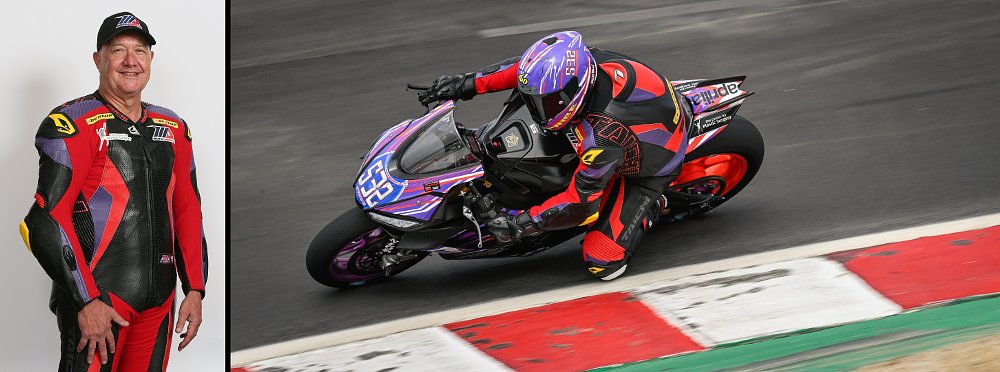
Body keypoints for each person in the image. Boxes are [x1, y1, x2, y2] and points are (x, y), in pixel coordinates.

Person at [18, 11, 208, 371]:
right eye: (118, 50)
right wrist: (86, 300)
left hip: (159, 301)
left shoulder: (174, 127)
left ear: (151, 59)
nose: (130, 61)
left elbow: (187, 210)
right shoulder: (72, 123)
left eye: (140, 51)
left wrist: (195, 288)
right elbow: (43, 221)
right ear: (98, 59)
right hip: (100, 300)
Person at [418, 31, 691, 281]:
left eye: (548, 102)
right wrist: (466, 83)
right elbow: (521, 71)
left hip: (646, 166)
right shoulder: (579, 63)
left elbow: (579, 202)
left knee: (603, 262)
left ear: (574, 90)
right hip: (633, 114)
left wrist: (521, 224)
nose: (540, 109)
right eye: (536, 101)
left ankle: (655, 205)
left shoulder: (603, 137)